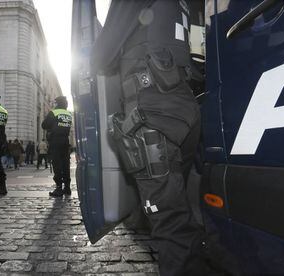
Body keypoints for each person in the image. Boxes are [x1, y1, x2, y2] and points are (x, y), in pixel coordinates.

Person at [90, 1, 239, 275]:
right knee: (185, 207)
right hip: (186, 106)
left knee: (170, 222)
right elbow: (200, 54)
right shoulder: (190, 3)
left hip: (153, 110)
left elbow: (101, 57)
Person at [42, 96, 72, 197]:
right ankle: (67, 187)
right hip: (65, 141)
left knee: (57, 164)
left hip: (56, 141)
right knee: (65, 164)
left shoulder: (54, 112)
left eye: (55, 103)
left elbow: (44, 125)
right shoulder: (68, 114)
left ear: (57, 103)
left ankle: (59, 188)